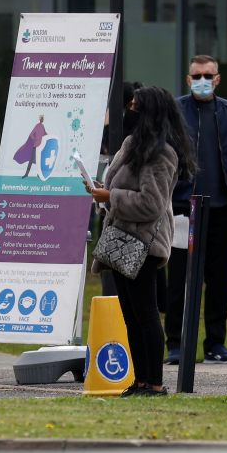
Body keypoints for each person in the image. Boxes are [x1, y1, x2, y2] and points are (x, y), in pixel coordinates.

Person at [87, 85, 197, 397]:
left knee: (146, 314)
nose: (129, 111)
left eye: (135, 106)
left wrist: (111, 196)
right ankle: (139, 381)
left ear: (149, 112)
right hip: (121, 237)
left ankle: (156, 383)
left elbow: (151, 203)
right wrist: (102, 192)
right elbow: (120, 189)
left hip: (143, 242)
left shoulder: (161, 154)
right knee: (130, 316)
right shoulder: (132, 144)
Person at [164, 55, 227, 366]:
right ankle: (175, 343)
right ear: (188, 80)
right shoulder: (174, 111)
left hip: (221, 209)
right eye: (197, 75)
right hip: (183, 209)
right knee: (179, 278)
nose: (202, 80)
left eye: (208, 75)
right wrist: (172, 196)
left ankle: (216, 344)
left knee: (218, 279)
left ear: (217, 79)